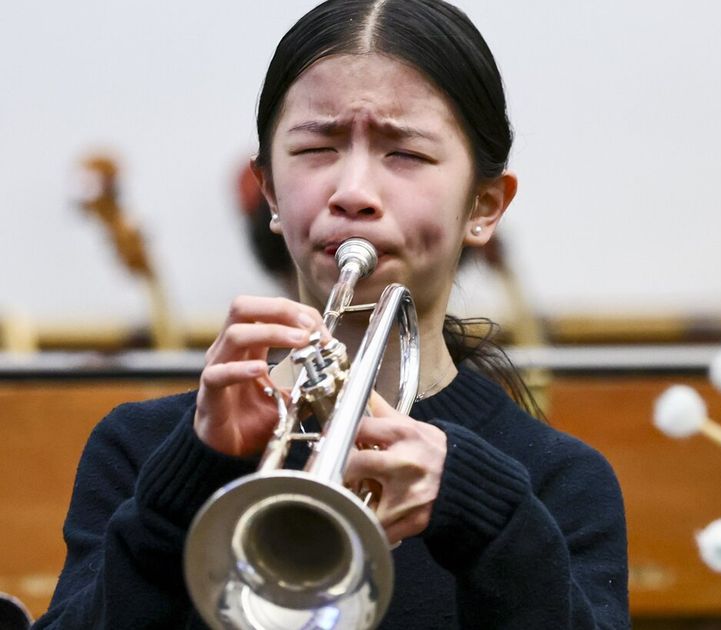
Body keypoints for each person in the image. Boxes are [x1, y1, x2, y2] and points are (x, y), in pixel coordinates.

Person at [35, 1, 630, 628]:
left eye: (404, 153)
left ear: (484, 205)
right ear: (268, 191)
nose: (352, 192)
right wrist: (188, 478)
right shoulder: (139, 450)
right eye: (317, 147)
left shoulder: (558, 481)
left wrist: (486, 512)